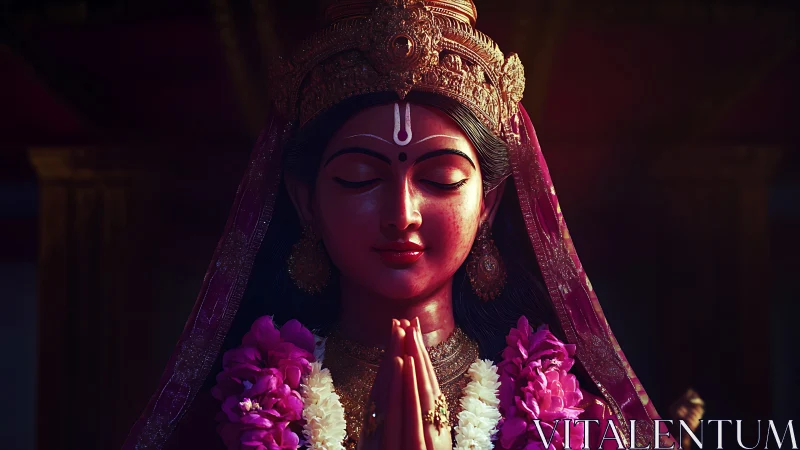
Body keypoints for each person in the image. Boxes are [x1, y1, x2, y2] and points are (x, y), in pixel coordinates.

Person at [123, 1, 673, 449]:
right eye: (360, 179)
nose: (402, 214)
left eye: (441, 180)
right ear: (305, 200)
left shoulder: (565, 418)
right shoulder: (235, 416)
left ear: (489, 204)